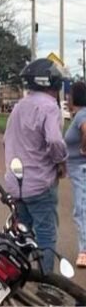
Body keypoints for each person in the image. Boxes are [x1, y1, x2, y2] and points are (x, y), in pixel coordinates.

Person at [4, 58, 69, 274]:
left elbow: (7, 140)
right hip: (40, 184)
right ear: (54, 84)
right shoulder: (49, 107)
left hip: (16, 184)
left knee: (22, 235)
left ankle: (19, 279)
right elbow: (55, 141)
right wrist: (60, 161)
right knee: (45, 235)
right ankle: (45, 284)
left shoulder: (19, 107)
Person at [65, 81, 86, 268]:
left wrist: (84, 149)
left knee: (81, 209)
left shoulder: (82, 114)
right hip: (77, 168)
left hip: (80, 168)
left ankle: (84, 250)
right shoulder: (79, 114)